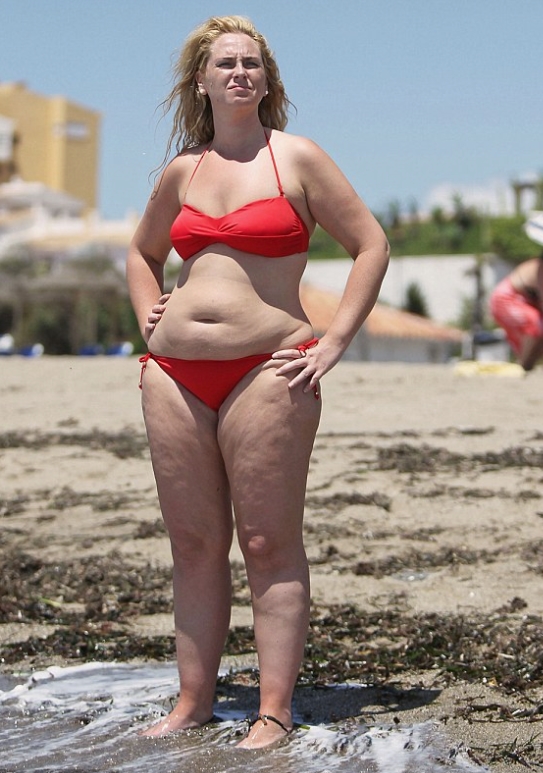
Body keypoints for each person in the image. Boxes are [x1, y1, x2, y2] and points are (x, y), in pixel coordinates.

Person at [126, 15, 389, 749]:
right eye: (226, 64)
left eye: (252, 63)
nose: (240, 72)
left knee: (269, 541)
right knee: (194, 543)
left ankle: (273, 710)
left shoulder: (296, 158)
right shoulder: (182, 170)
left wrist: (333, 341)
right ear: (201, 82)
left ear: (267, 80)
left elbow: (371, 244)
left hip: (269, 368)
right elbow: (142, 253)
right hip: (172, 374)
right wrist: (148, 315)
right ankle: (193, 702)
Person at [490, 211, 543, 371]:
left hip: (523, 301)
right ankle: (523, 367)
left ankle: (526, 364)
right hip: (506, 299)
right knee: (535, 324)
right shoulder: (541, 267)